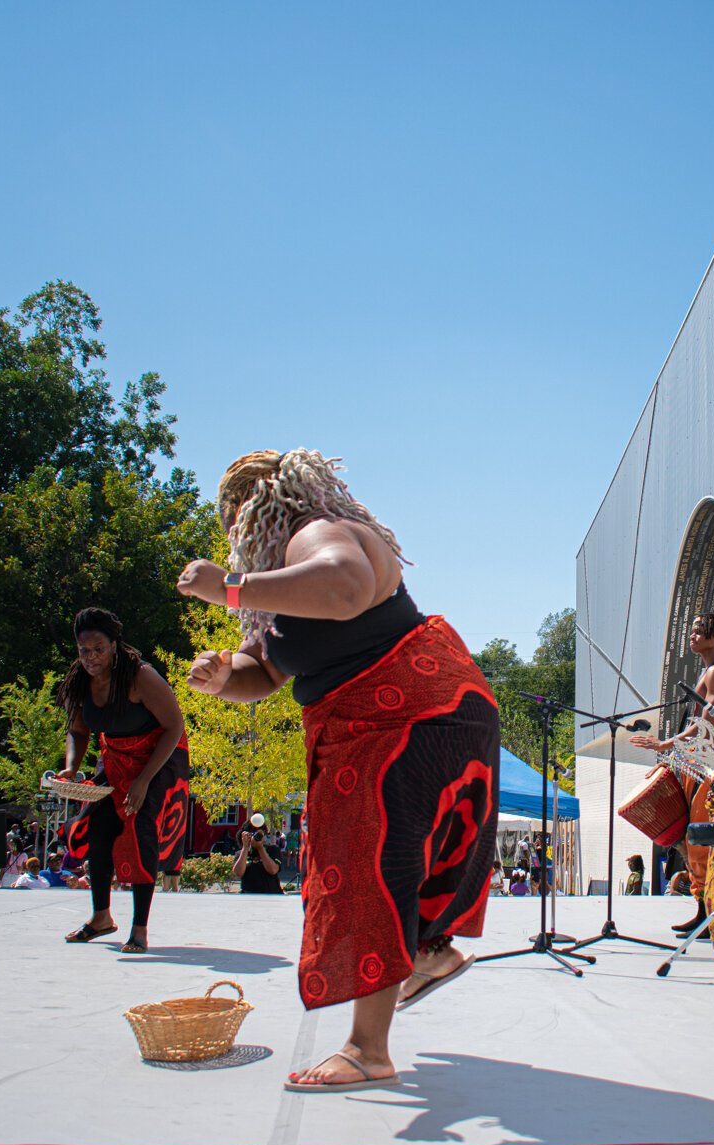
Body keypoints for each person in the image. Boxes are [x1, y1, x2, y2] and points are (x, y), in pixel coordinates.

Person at [178, 448, 499, 1093]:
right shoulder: (277, 589)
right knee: (385, 863)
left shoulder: (315, 532)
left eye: (233, 518)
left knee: (365, 866)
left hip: (407, 714)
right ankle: (429, 954)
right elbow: (265, 673)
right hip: (415, 711)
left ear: (259, 507)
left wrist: (228, 587)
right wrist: (221, 678)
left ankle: (367, 1050)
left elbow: (346, 584)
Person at [57, 606, 191, 955]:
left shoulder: (139, 676)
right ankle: (101, 917)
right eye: (84, 650)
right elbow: (77, 730)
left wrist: (144, 780)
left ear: (114, 645)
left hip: (158, 756)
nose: (91, 657)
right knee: (99, 827)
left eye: (98, 649)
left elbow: (174, 726)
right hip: (114, 758)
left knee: (140, 827)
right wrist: (71, 766)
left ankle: (139, 929)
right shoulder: (80, 680)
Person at [631, 612, 714, 934]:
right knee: (687, 838)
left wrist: (665, 744)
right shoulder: (710, 671)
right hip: (697, 762)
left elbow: (707, 725)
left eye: (699, 630)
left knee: (700, 840)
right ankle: (703, 909)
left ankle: (708, 912)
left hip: (710, 763)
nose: (693, 635)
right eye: (692, 631)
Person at [232, 813, 284, 894]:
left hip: (271, 894)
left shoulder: (273, 850)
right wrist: (245, 848)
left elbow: (273, 870)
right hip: (248, 895)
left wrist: (260, 848)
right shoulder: (241, 853)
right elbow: (238, 873)